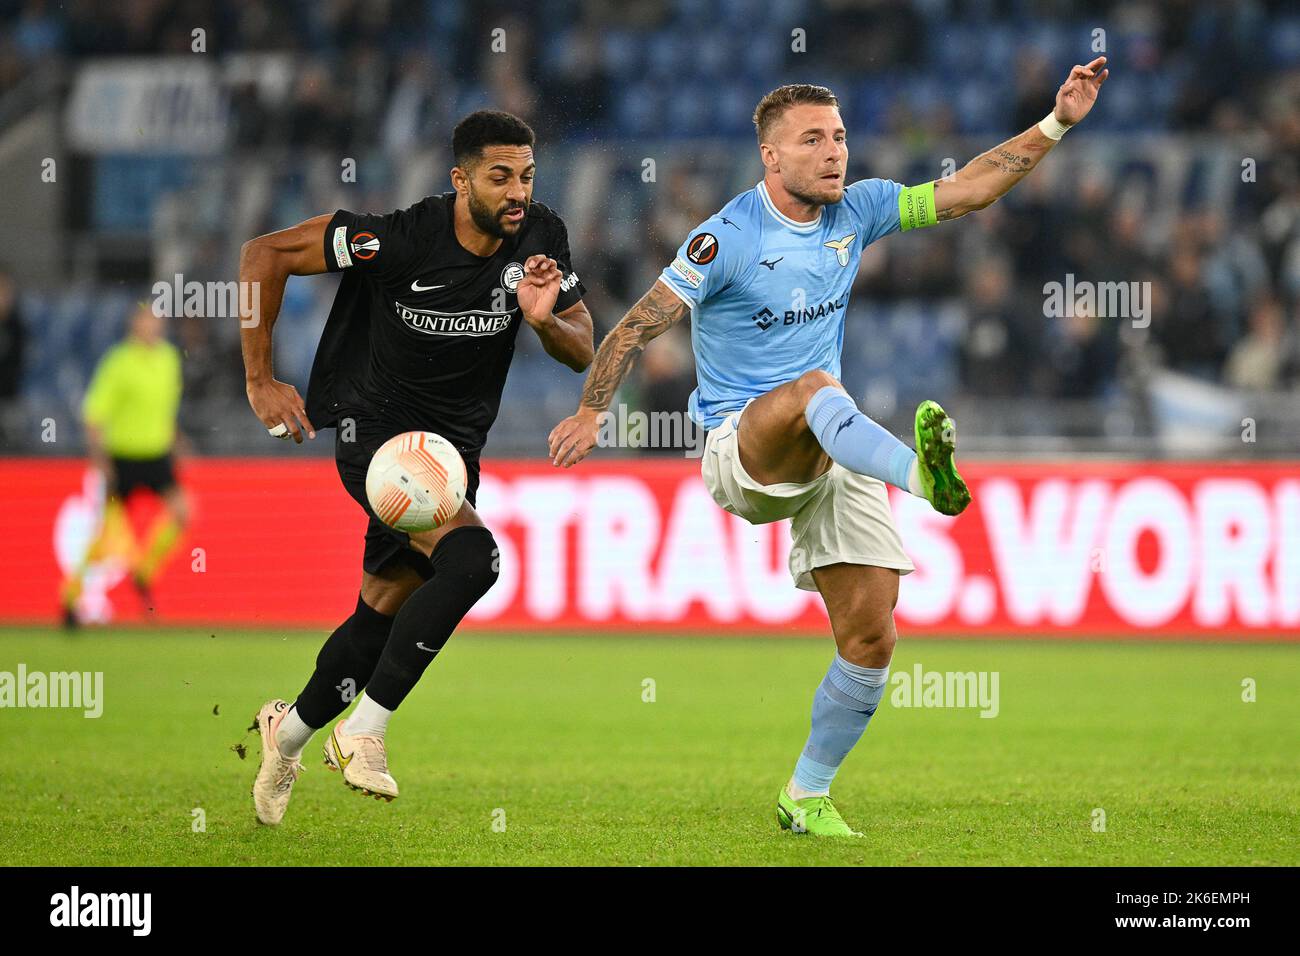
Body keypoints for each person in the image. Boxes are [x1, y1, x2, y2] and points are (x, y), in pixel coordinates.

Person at [549, 60, 1107, 836]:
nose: (835, 152)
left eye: (839, 136)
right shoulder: (727, 238)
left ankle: (805, 795)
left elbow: (972, 188)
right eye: (813, 140)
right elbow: (641, 323)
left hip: (832, 444)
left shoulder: (862, 209)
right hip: (743, 447)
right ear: (771, 158)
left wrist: (1057, 123)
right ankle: (924, 477)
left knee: (873, 636)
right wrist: (592, 408)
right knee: (816, 387)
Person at [238, 110, 593, 825]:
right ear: (460, 180)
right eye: (499, 177)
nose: (516, 191)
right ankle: (365, 731)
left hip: (451, 452)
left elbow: (584, 347)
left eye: (526, 175)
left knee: (378, 618)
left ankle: (288, 734)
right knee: (475, 559)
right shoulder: (397, 238)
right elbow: (263, 254)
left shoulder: (540, 238)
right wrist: (259, 378)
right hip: (375, 435)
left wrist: (544, 319)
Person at [61, 304, 188, 628]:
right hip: (122, 458)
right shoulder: (118, 362)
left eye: (156, 320)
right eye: (146, 319)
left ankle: (143, 571)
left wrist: (176, 443)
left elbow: (165, 410)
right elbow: (93, 414)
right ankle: (70, 596)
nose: (152, 325)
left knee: (183, 512)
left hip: (156, 455)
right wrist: (99, 459)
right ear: (134, 324)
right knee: (105, 537)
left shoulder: (169, 360)